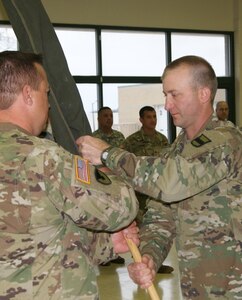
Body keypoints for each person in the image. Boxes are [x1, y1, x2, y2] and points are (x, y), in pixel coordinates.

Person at [77, 55, 242, 299]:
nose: (166, 105)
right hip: (199, 286)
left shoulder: (224, 140)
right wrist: (149, 257)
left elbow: (171, 183)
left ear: (204, 94)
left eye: (175, 95)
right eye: (165, 95)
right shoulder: (178, 148)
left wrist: (108, 154)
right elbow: (162, 216)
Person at [0, 51, 139, 300]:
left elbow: (33, 238)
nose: (50, 103)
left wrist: (107, 245)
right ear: (28, 94)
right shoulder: (44, 157)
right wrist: (105, 160)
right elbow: (122, 208)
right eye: (46, 92)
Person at [122, 106, 173, 274]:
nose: (153, 120)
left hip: (157, 192)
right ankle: (142, 264)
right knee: (141, 229)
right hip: (139, 194)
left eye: (154, 116)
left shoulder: (163, 140)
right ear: (141, 120)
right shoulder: (131, 141)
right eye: (149, 117)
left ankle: (154, 262)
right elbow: (123, 166)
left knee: (156, 227)